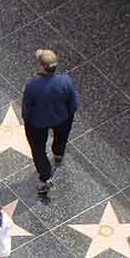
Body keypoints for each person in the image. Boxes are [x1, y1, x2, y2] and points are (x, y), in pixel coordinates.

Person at [22, 49, 78, 194]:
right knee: (61, 137)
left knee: (38, 149)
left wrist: (28, 120)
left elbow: (27, 109)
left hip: (37, 123)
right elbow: (73, 104)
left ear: (42, 67)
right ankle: (58, 154)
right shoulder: (65, 81)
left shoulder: (32, 86)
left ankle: (46, 177)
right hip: (62, 119)